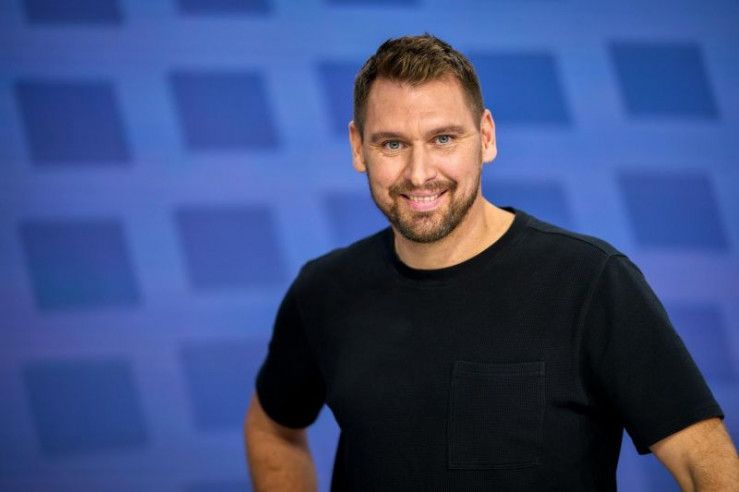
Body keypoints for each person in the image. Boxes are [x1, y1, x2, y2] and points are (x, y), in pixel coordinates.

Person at [244, 34, 738, 491]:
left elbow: (703, 464)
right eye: (392, 144)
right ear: (358, 148)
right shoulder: (325, 290)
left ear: (485, 137)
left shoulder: (589, 281)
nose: (419, 173)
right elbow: (272, 430)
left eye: (443, 139)